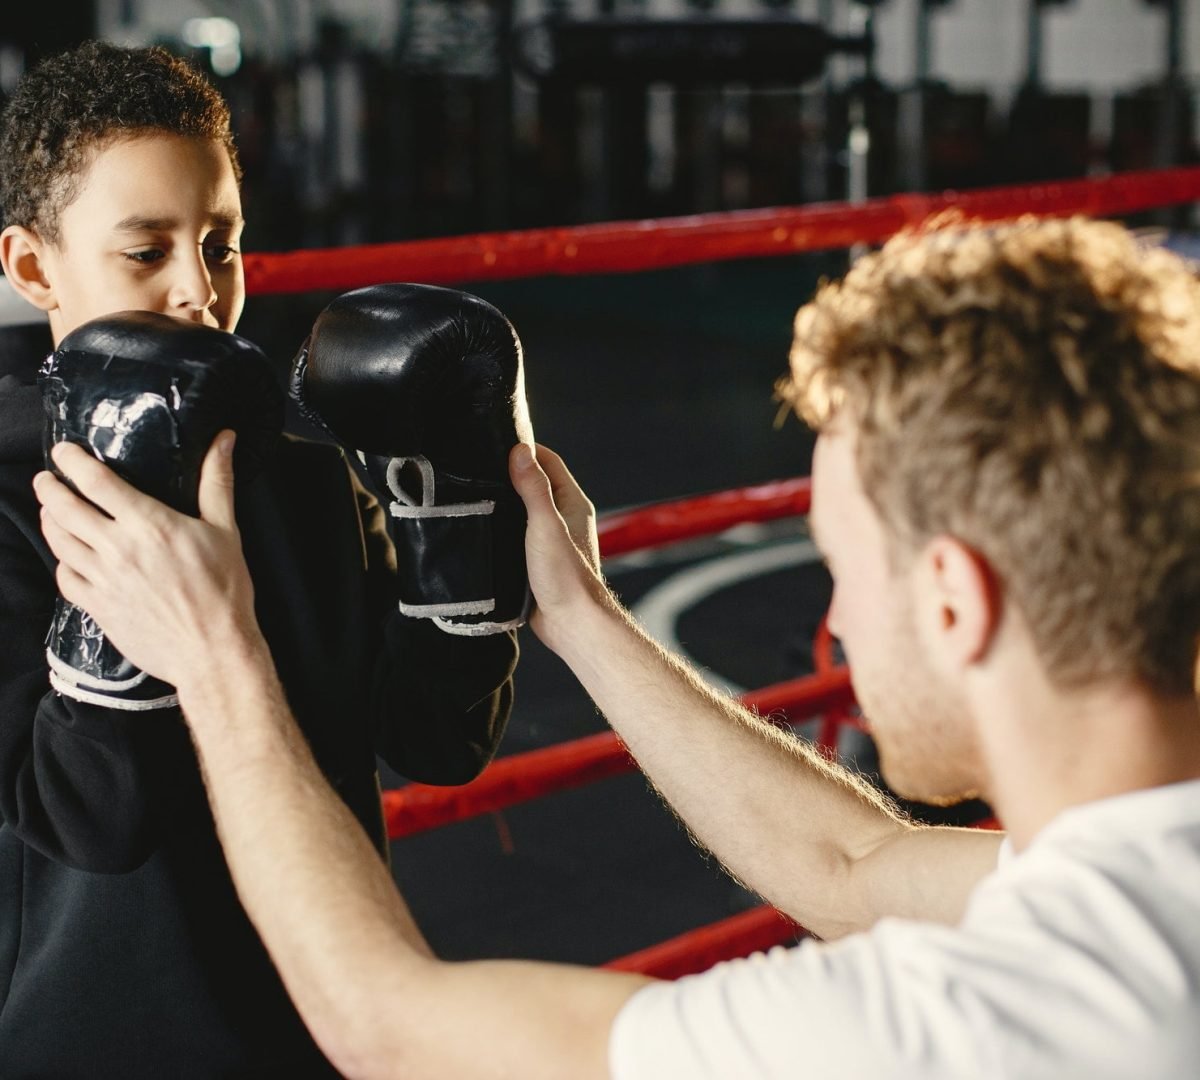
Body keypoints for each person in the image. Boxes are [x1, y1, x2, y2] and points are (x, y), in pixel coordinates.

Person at [35, 216, 1200, 1078]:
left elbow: (390, 1027)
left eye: (845, 570)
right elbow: (852, 868)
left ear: (955, 601)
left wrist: (218, 658)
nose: (835, 625)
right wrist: (581, 613)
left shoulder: (963, 1025)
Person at [0, 41, 517, 1077]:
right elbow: (91, 819)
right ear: (31, 266)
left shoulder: (301, 474)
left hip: (320, 1022)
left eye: (222, 243)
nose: (199, 289)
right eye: (145, 252)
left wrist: (457, 519)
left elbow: (432, 739)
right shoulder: (6, 508)